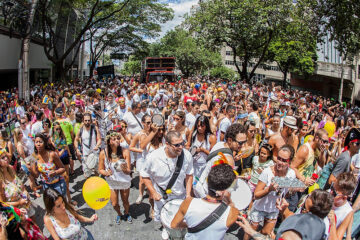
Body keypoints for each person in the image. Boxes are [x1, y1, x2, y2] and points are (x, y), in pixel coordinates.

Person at [141, 131, 193, 240]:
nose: (180, 147)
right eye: (177, 145)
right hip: (161, 196)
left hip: (180, 194)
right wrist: (153, 192)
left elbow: (189, 175)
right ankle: (165, 229)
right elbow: (144, 175)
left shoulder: (187, 155)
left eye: (182, 143)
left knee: (179, 220)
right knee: (162, 218)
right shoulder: (153, 157)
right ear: (167, 144)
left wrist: (188, 194)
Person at [171, 164, 239, 240]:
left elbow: (174, 225)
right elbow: (231, 206)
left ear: (207, 183)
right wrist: (229, 200)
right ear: (225, 190)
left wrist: (189, 225)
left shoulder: (188, 203)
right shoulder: (233, 212)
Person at [244, 145, 297, 240]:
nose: (280, 162)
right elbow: (256, 195)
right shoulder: (267, 172)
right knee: (250, 233)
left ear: (290, 161)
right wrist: (269, 189)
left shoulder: (291, 174)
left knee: (265, 233)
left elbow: (287, 192)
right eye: (279, 158)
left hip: (273, 209)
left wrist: (287, 194)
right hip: (259, 207)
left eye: (284, 160)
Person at [194, 123, 247, 198]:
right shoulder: (229, 160)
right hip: (208, 194)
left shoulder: (219, 144)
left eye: (245, 142)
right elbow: (226, 185)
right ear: (229, 140)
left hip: (200, 186)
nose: (243, 145)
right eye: (240, 143)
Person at [98, 131, 132, 224]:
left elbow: (129, 170)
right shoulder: (103, 153)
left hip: (124, 181)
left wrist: (125, 170)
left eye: (118, 138)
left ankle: (127, 213)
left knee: (125, 201)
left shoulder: (125, 151)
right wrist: (105, 172)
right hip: (112, 182)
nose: (117, 140)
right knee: (114, 203)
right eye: (114, 139)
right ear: (109, 141)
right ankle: (119, 214)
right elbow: (100, 169)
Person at [0, 149, 36, 221]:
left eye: (5, 156)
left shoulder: (10, 168)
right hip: (17, 212)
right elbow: (3, 203)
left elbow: (20, 184)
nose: (6, 158)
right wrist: (19, 202)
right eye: (2, 158)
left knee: (36, 226)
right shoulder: (1, 181)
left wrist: (25, 191)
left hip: (27, 204)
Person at [74, 113, 101, 178]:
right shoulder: (81, 130)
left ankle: (97, 184)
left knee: (97, 171)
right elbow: (76, 140)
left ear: (91, 121)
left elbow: (99, 139)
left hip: (95, 154)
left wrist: (97, 146)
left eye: (89, 120)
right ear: (83, 121)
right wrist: (77, 149)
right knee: (87, 174)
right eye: (85, 120)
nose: (87, 122)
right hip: (85, 155)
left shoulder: (95, 128)